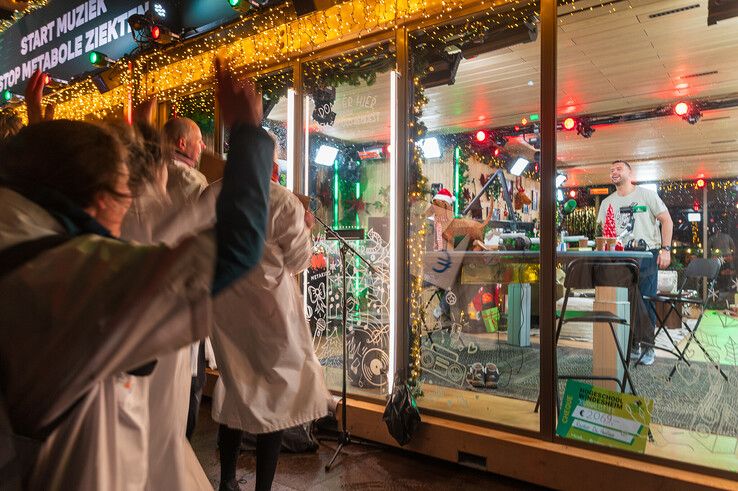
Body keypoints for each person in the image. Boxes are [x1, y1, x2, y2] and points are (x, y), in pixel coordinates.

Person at [0, 57, 273, 490]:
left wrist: (38, 128)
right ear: (94, 197)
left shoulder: (18, 227)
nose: (128, 208)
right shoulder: (75, 278)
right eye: (123, 196)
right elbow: (237, 246)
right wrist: (248, 131)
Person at [211, 138, 329, 491]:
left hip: (226, 307)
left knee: (235, 386)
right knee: (276, 393)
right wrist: (307, 226)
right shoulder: (281, 200)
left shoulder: (211, 195)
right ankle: (263, 487)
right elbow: (298, 261)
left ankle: (228, 480)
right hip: (271, 311)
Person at [162, 115, 215, 440]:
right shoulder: (191, 182)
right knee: (189, 387)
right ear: (182, 144)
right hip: (185, 306)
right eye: (198, 140)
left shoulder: (146, 177)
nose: (204, 146)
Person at [597, 160, 673, 366]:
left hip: (647, 254)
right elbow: (602, 234)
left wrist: (666, 249)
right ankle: (632, 345)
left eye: (619, 169)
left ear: (630, 173)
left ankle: (648, 346)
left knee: (645, 300)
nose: (614, 172)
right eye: (611, 169)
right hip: (620, 257)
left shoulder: (646, 195)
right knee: (625, 300)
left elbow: (667, 220)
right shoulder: (607, 203)